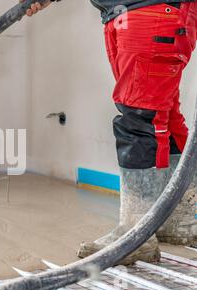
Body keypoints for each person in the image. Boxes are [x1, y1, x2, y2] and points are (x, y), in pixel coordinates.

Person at [22, 0, 197, 264]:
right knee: (162, 115)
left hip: (150, 11)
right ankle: (175, 221)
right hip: (132, 13)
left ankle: (136, 233)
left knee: (139, 119)